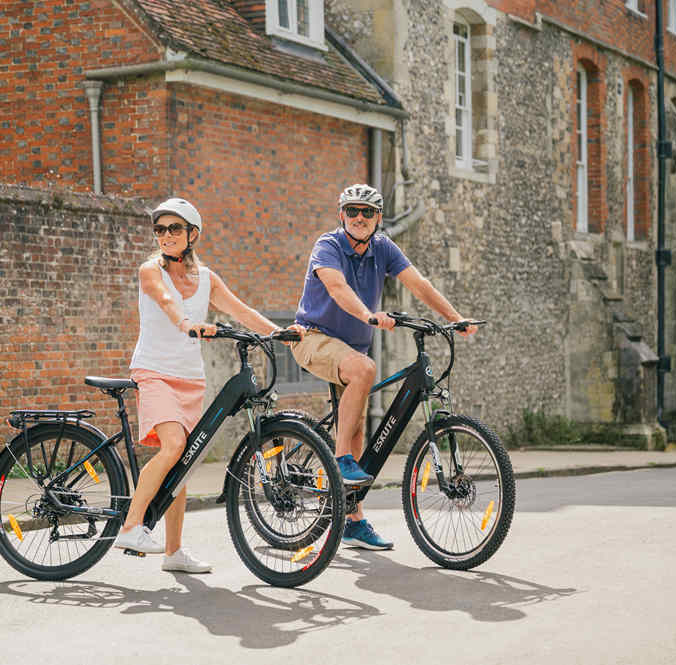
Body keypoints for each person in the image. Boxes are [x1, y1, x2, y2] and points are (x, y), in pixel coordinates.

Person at [113, 197, 303, 572]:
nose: (165, 235)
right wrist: (187, 324)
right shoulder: (150, 271)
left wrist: (278, 332)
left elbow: (240, 310)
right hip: (154, 371)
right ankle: (131, 526)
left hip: (189, 379)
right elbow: (167, 302)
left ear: (192, 234)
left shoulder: (207, 279)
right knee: (173, 447)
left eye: (174, 229)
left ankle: (173, 553)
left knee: (181, 463)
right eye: (161, 229)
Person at [290, 184, 477, 550]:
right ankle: (340, 459)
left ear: (378, 218)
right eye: (353, 211)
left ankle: (352, 520)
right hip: (313, 338)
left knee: (358, 424)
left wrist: (454, 318)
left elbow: (418, 283)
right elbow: (337, 286)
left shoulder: (383, 247)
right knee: (364, 370)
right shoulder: (327, 246)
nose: (360, 218)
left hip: (352, 348)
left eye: (368, 212)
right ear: (342, 215)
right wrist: (367, 314)